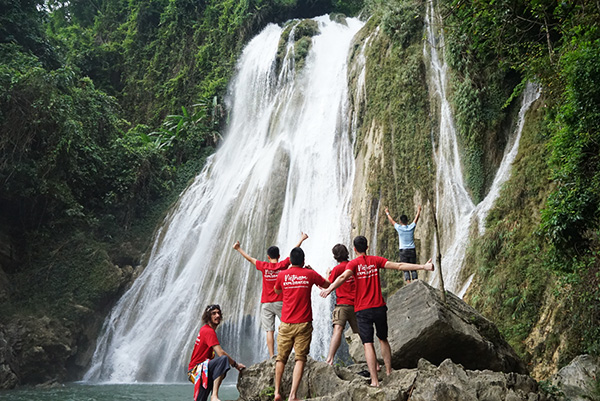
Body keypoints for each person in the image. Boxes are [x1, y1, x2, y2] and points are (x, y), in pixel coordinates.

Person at [320, 235, 434, 387]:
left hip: (362, 310)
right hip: (379, 307)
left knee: (368, 344)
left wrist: (329, 289)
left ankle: (374, 381)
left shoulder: (353, 264)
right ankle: (388, 371)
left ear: (354, 249)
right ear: (367, 247)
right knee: (383, 339)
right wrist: (423, 267)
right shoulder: (375, 260)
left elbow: (342, 277)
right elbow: (399, 266)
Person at [232, 232, 309, 358]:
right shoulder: (282, 265)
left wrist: (238, 248)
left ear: (268, 257)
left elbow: (250, 258)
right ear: (279, 256)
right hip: (280, 301)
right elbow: (294, 253)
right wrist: (301, 239)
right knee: (289, 325)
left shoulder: (264, 266)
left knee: (269, 330)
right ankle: (295, 352)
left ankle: (272, 355)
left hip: (266, 303)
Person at [273, 247, 330, 401]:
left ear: (290, 261)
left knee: (281, 358)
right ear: (304, 261)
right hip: (303, 323)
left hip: (286, 323)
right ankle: (292, 395)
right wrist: (315, 270)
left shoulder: (282, 275)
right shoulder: (309, 274)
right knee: (300, 358)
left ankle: (277, 392)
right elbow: (326, 284)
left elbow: (277, 291)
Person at [187, 304, 246, 401]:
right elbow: (221, 353)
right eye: (213, 313)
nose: (217, 315)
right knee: (223, 360)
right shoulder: (208, 331)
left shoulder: (205, 329)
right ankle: (214, 396)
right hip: (198, 370)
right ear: (208, 316)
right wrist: (236, 365)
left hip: (200, 370)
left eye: (218, 313)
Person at [325, 243, 359, 365]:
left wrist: (327, 274)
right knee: (362, 333)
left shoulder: (337, 269)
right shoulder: (354, 266)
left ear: (335, 257)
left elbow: (327, 285)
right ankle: (373, 361)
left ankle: (329, 359)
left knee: (337, 330)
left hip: (342, 306)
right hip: (357, 305)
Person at [384, 205, 422, 283]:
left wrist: (387, 213)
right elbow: (416, 219)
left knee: (405, 268)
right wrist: (419, 211)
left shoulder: (399, 228)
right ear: (407, 221)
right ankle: (415, 282)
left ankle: (408, 284)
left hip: (403, 251)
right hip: (412, 249)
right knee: (413, 266)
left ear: (400, 222)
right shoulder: (411, 227)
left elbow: (392, 221)